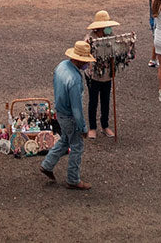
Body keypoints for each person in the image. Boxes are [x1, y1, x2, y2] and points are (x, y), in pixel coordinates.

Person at [38, 38, 94, 190]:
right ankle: (73, 179)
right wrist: (83, 127)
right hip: (69, 116)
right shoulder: (75, 79)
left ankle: (47, 164)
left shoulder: (62, 66)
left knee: (65, 140)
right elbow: (77, 108)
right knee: (77, 146)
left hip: (60, 111)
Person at [86, 10, 117, 138]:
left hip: (107, 74)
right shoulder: (90, 39)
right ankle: (92, 127)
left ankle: (105, 125)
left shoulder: (110, 35)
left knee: (105, 100)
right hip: (93, 75)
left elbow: (115, 51)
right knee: (93, 101)